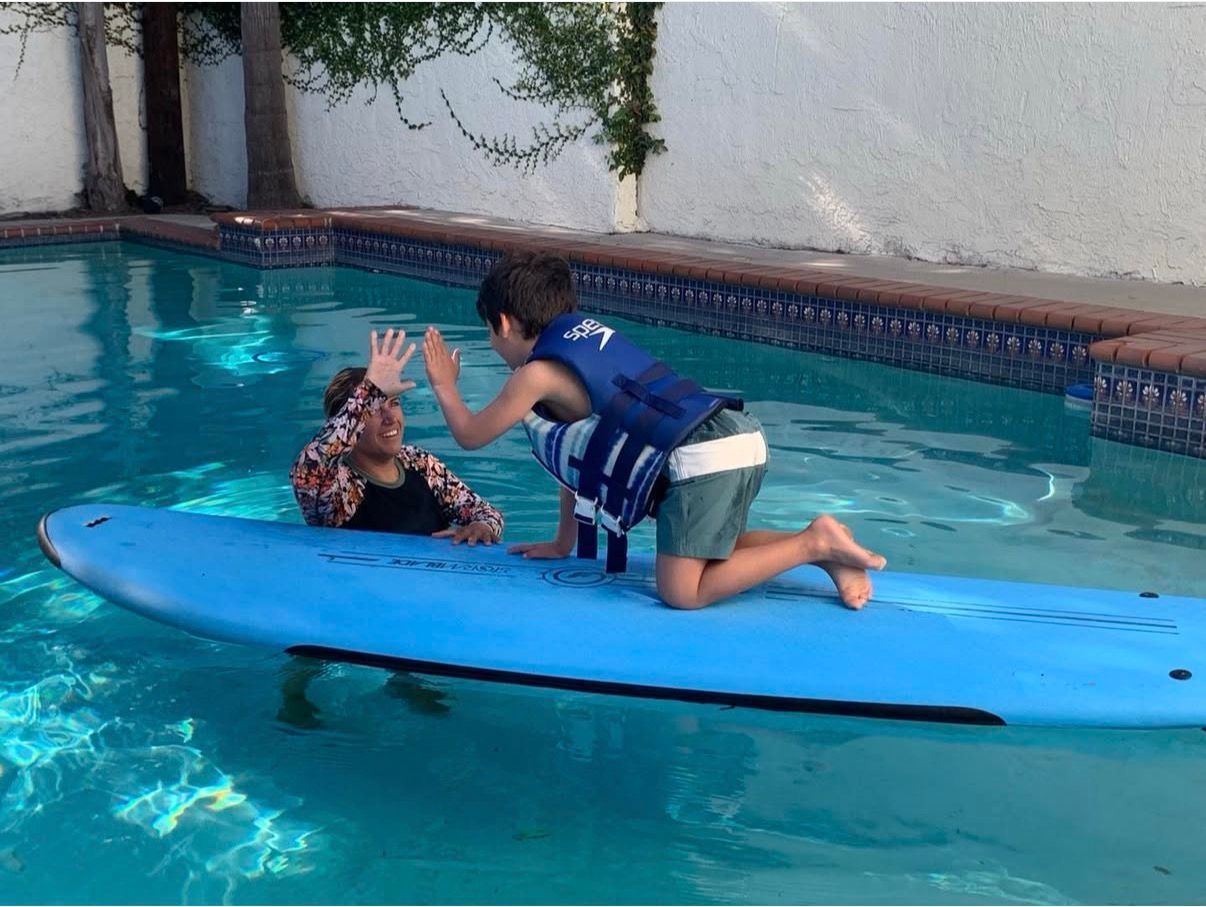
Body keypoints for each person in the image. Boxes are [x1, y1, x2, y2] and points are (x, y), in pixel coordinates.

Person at [421, 251, 886, 611]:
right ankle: (828, 554)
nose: (491, 342)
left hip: (701, 458)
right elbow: (575, 453)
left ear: (504, 323)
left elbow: (470, 434)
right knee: (713, 554)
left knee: (682, 591)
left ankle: (814, 543)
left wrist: (444, 386)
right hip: (738, 434)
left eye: (488, 331)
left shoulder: (535, 374)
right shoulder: (587, 339)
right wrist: (564, 542)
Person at [281, 327, 504, 727]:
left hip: (421, 601)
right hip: (353, 605)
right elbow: (310, 465)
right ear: (346, 425)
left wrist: (481, 527)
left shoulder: (419, 464)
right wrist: (366, 390)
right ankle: (294, 694)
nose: (390, 418)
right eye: (373, 409)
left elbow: (486, 512)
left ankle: (403, 678)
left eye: (395, 404)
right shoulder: (336, 487)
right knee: (311, 657)